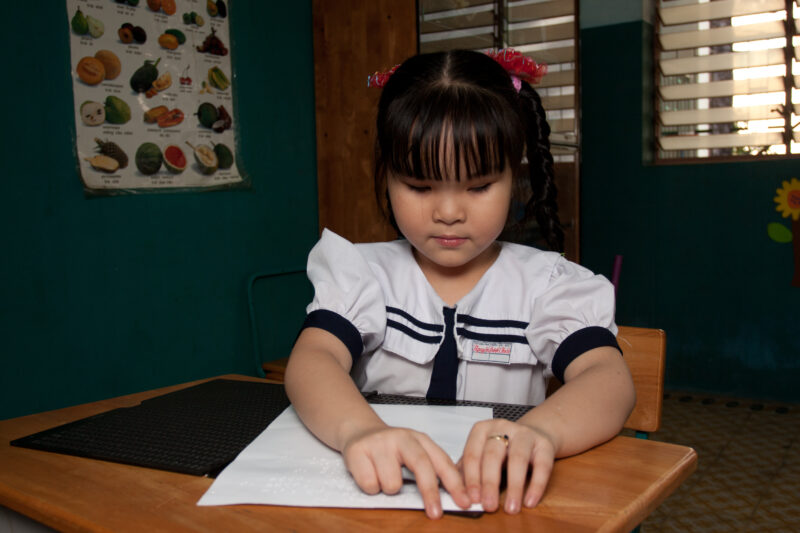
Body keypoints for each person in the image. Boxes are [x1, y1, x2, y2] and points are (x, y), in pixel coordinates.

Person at [284, 49, 635, 520]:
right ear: (386, 174)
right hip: (379, 503)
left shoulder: (548, 285)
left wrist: (543, 432)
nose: (448, 212)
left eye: (478, 186)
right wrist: (358, 431)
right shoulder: (362, 272)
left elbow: (608, 379)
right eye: (420, 186)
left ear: (514, 173)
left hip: (501, 509)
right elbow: (314, 357)